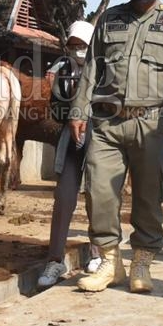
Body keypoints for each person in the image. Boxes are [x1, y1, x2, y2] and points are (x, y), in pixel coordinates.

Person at [69, 0, 163, 294]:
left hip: (151, 122)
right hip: (107, 123)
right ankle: (110, 261)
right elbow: (91, 68)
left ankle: (142, 261)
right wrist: (79, 110)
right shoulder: (110, 19)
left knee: (149, 194)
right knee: (99, 192)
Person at [37, 20, 96, 288]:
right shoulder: (63, 71)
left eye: (82, 45)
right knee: (63, 197)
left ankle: (98, 252)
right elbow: (56, 111)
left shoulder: (105, 70)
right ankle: (55, 260)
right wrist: (69, 98)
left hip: (99, 138)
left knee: (99, 196)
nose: (77, 50)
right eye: (73, 46)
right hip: (71, 137)